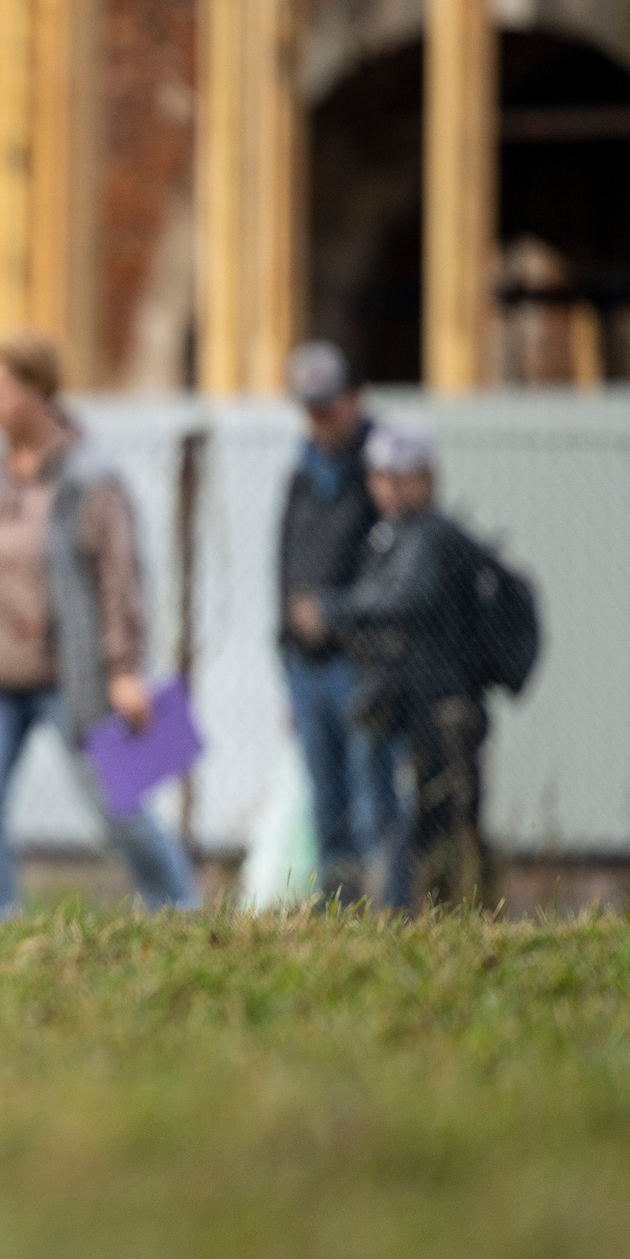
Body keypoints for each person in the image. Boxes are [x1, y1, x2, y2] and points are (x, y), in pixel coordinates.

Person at [0, 334, 200, 922]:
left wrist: (124, 670)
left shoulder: (91, 479)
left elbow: (121, 578)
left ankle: (183, 913)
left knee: (122, 812)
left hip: (76, 679)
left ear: (39, 390)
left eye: (0, 390)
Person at [287, 421, 491, 910]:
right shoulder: (390, 536)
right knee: (395, 817)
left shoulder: (431, 536)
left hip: (441, 708)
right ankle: (397, 913)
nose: (390, 488)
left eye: (402, 476)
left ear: (428, 477)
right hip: (407, 703)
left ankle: (431, 916)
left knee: (437, 826)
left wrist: (332, 611)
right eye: (381, 476)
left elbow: (403, 597)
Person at [275, 341, 399, 902]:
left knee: (373, 798)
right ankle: (340, 915)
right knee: (327, 804)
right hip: (306, 666)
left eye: (328, 406)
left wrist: (335, 612)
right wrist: (287, 653)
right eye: (310, 408)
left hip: (362, 663)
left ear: (355, 398)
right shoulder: (303, 475)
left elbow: (395, 572)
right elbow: (283, 568)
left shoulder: (382, 473)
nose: (319, 420)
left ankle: (392, 912)